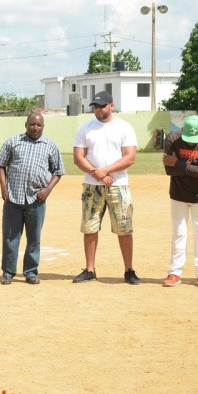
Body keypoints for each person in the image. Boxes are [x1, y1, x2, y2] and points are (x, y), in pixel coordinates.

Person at [72, 91, 140, 285]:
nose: (98, 110)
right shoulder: (85, 128)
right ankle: (90, 269)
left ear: (112, 105)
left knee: (124, 228)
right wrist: (96, 173)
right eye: (95, 106)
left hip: (118, 186)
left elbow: (130, 157)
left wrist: (106, 171)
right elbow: (78, 157)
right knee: (90, 227)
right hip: (92, 186)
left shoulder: (124, 127)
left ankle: (129, 270)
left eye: (102, 106)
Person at [0, 113, 65, 285]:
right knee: (10, 237)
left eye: (38, 125)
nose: (35, 128)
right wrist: (4, 188)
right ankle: (8, 272)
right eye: (32, 124)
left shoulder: (50, 145)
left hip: (37, 200)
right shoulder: (13, 142)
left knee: (34, 238)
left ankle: (31, 272)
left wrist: (48, 189)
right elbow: (1, 166)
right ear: (25, 124)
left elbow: (58, 171)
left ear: (43, 126)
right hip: (13, 198)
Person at [161, 115, 198, 288]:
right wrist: (189, 168)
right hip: (178, 194)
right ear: (182, 131)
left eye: (194, 140)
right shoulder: (172, 139)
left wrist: (177, 163)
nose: (191, 144)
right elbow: (169, 170)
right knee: (179, 233)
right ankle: (175, 272)